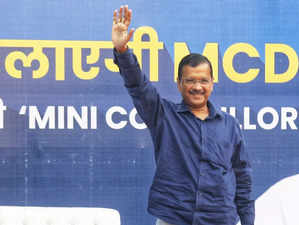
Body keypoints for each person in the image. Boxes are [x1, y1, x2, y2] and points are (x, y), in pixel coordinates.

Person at [111, 5, 255, 225]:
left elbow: (243, 179)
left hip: (219, 219)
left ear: (212, 84)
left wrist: (247, 222)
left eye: (203, 80)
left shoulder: (229, 126)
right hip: (174, 219)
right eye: (190, 80)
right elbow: (138, 86)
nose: (197, 87)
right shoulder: (163, 115)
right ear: (179, 84)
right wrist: (122, 51)